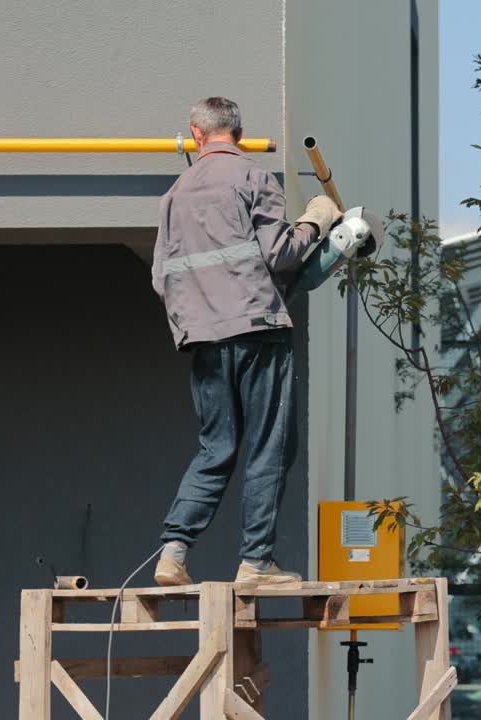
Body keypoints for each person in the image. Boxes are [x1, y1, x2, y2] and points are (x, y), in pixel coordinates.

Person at [149, 97, 341, 586]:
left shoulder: (174, 195)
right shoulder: (253, 178)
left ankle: (173, 553)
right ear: (238, 131)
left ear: (196, 133)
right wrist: (316, 220)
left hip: (202, 338)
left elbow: (160, 279)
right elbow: (281, 255)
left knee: (215, 448)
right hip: (257, 330)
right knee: (269, 445)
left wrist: (198, 316)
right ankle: (255, 563)